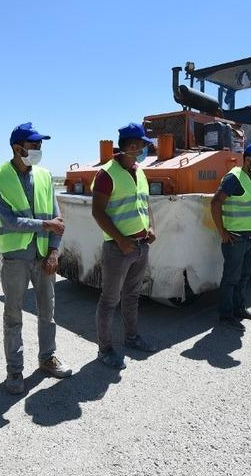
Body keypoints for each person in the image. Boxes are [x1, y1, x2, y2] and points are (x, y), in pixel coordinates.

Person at [0, 122, 72, 395]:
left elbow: (58, 220)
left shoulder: (45, 176)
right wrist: (45, 225)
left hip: (44, 255)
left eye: (40, 145)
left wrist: (54, 251)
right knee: (13, 315)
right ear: (17, 148)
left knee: (48, 312)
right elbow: (10, 221)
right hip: (16, 258)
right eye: (33, 145)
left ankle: (48, 358)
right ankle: (15, 371)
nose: (38, 149)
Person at [91, 123, 158, 369]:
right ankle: (105, 349)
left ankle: (131, 338)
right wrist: (120, 239)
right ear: (131, 146)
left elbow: (145, 203)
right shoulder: (106, 174)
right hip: (118, 249)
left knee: (132, 296)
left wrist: (151, 227)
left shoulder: (139, 171)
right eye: (142, 146)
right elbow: (98, 212)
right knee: (109, 300)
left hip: (140, 246)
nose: (144, 150)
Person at [210, 142, 251, 332]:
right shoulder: (234, 177)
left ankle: (239, 308)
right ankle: (226, 315)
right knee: (231, 278)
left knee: (244, 276)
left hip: (250, 237)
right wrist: (222, 232)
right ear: (248, 159)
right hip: (236, 238)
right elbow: (215, 203)